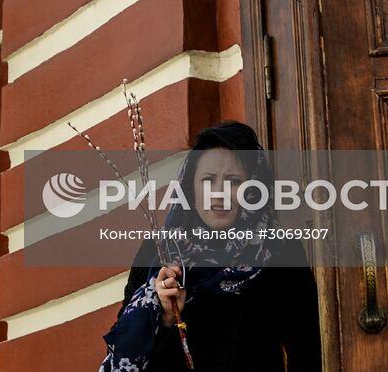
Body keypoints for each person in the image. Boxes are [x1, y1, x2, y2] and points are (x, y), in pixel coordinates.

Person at [97, 121, 322, 371]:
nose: (219, 193)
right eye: (208, 180)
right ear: (190, 188)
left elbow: (308, 352)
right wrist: (165, 317)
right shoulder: (161, 251)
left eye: (234, 181)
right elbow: (125, 353)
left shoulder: (280, 251)